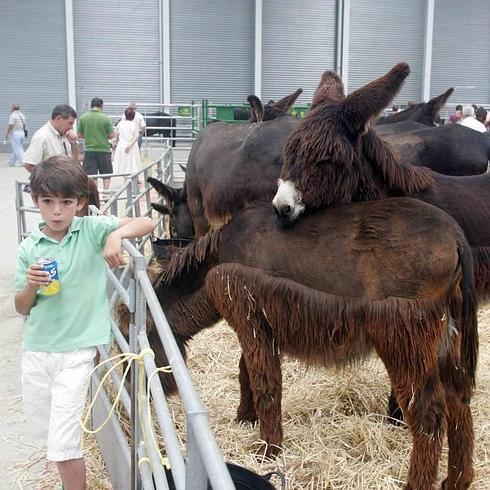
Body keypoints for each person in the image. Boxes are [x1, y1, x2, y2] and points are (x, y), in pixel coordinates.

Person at [14, 155, 155, 490]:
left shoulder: (90, 229)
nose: (57, 211)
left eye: (66, 202)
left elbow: (146, 222)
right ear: (36, 201)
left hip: (77, 351)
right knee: (49, 437)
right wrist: (31, 284)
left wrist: (116, 236)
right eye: (48, 202)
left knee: (63, 446)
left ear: (79, 203)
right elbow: (22, 307)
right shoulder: (29, 247)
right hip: (37, 350)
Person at [22, 104, 99, 213]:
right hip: (54, 188)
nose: (71, 127)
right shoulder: (42, 137)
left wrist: (74, 143)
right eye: (70, 123)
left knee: (89, 188)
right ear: (59, 119)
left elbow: (74, 161)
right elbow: (29, 164)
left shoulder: (63, 136)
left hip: (66, 183)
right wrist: (47, 178)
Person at [77, 97, 115, 190]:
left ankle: (95, 193)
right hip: (104, 150)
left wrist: (89, 135)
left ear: (91, 105)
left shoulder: (83, 118)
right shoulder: (106, 118)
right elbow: (112, 135)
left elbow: (79, 135)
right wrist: (102, 135)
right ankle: (106, 193)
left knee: (91, 175)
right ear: (101, 106)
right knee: (106, 174)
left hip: (89, 150)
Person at [113, 107, 142, 179]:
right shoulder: (134, 124)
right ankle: (132, 179)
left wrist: (115, 142)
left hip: (121, 145)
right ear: (133, 116)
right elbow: (136, 136)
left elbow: (116, 133)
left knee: (123, 163)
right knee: (132, 164)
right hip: (132, 146)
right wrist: (130, 145)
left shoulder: (120, 123)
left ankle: (125, 180)